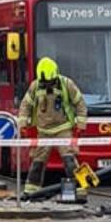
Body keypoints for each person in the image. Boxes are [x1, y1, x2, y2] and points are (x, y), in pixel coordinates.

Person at [17, 57, 88, 195]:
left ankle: (81, 190)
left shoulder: (66, 84)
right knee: (38, 162)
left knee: (70, 160)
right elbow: (25, 106)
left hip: (63, 128)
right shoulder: (35, 86)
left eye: (50, 82)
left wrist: (81, 125)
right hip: (43, 131)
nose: (47, 85)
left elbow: (80, 104)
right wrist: (22, 124)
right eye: (45, 83)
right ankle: (31, 191)